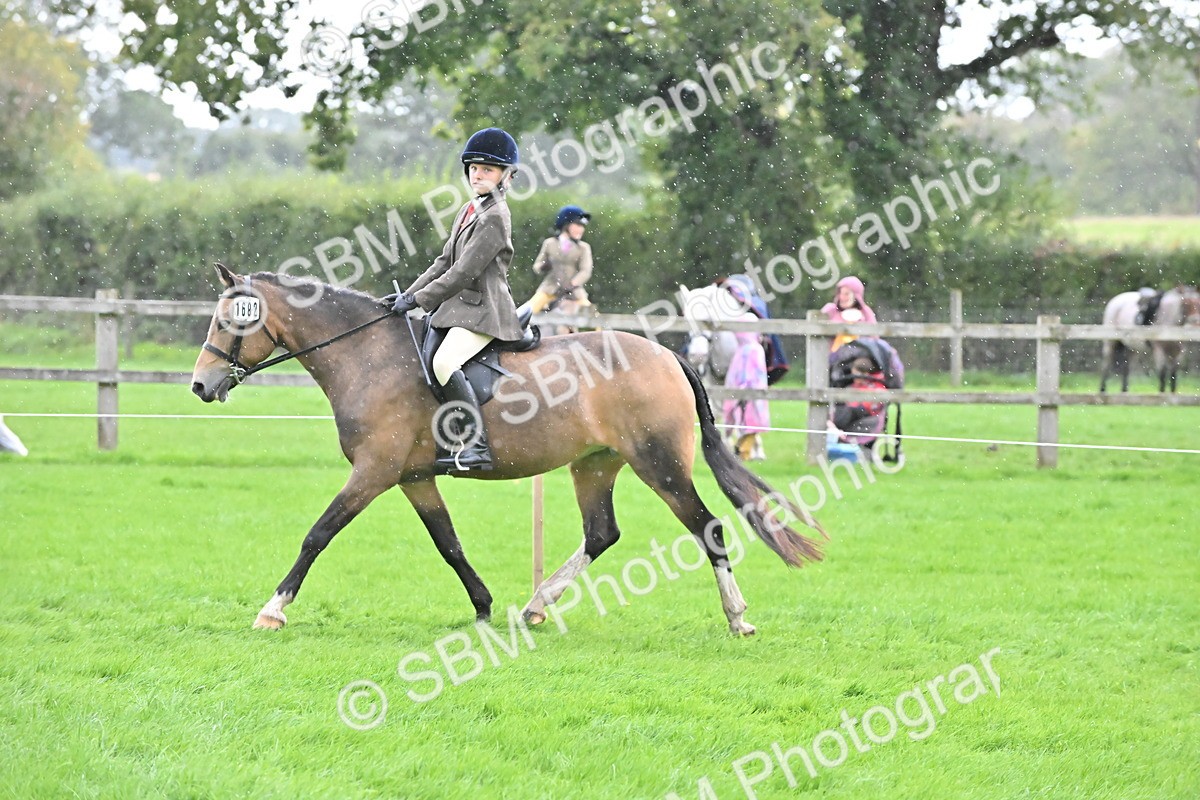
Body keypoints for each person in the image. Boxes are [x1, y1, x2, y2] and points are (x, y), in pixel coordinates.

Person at [387, 127, 523, 472]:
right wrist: (408, 294)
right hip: (459, 310)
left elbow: (463, 272)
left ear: (505, 176)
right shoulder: (470, 209)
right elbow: (443, 262)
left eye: (487, 169)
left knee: (444, 363)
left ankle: (476, 445)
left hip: (484, 313)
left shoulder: (495, 217)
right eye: (474, 168)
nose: (478, 174)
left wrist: (419, 300)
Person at [528, 205, 594, 316]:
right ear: (566, 225)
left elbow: (585, 271)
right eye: (577, 225)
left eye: (582, 226)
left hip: (574, 292)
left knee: (593, 319)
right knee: (528, 311)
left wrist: (573, 284)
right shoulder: (550, 243)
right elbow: (537, 266)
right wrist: (544, 266)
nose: (581, 229)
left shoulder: (584, 247)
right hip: (549, 289)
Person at [722, 331, 770, 461]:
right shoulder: (748, 349)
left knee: (748, 422)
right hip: (747, 394)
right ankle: (743, 452)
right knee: (747, 422)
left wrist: (743, 389)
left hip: (748, 394)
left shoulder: (750, 350)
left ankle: (744, 452)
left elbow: (750, 374)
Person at [821, 275, 877, 351]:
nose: (842, 297)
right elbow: (818, 331)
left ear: (856, 296)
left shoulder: (866, 312)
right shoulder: (831, 310)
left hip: (861, 353)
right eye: (840, 293)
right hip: (834, 355)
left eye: (846, 294)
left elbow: (874, 338)